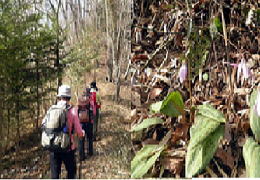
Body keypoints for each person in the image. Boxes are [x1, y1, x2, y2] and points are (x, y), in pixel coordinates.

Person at [41, 85, 85, 179]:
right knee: (71, 171)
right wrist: (82, 133)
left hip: (53, 145)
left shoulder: (51, 109)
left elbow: (43, 124)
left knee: (55, 174)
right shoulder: (73, 111)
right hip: (68, 147)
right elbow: (78, 130)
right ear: (69, 97)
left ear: (59, 96)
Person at [77, 96, 93, 161]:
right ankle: (90, 152)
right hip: (88, 124)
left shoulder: (78, 107)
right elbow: (92, 114)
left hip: (80, 125)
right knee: (89, 138)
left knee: (81, 140)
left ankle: (81, 156)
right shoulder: (89, 105)